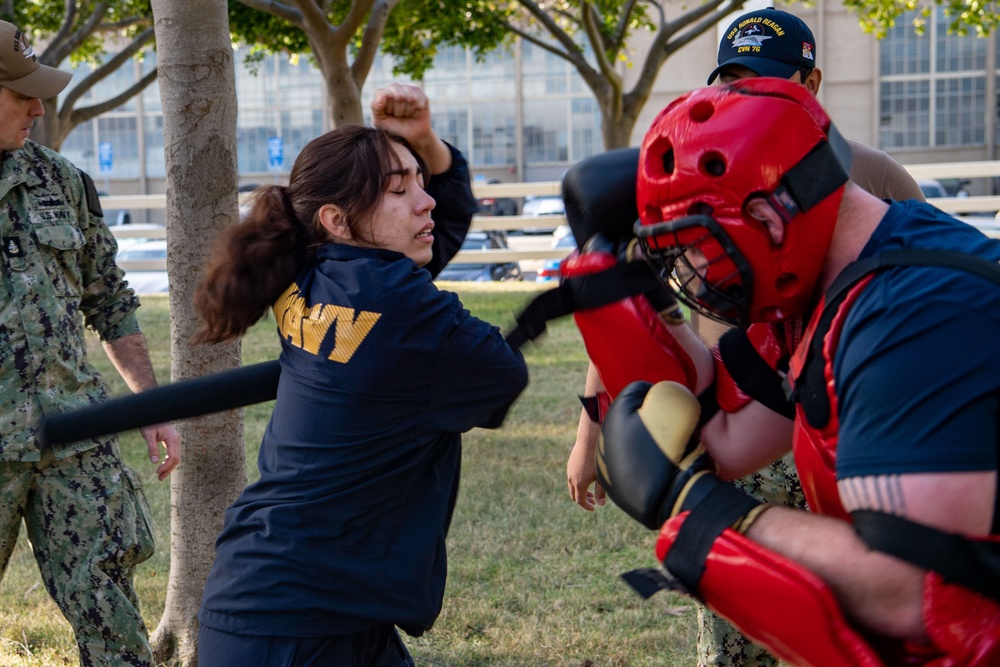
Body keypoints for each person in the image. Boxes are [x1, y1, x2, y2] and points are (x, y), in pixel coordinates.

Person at [596, 77, 1000, 665]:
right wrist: (619, 288)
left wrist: (692, 506)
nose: (693, 273)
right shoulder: (820, 283)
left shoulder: (912, 316)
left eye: (696, 245)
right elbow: (724, 434)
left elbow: (916, 597)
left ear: (766, 217)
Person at [564, 9, 925, 663]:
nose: (745, 97)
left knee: (853, 620)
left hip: (842, 432)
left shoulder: (876, 179)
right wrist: (590, 431)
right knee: (737, 634)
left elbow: (917, 306)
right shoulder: (699, 178)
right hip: (738, 410)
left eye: (766, 81)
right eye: (732, 82)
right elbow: (629, 304)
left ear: (810, 82)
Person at [193, 83, 528, 667]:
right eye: (401, 189)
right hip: (292, 626)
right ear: (337, 221)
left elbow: (423, 246)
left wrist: (421, 141)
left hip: (292, 596)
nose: (426, 201)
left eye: (422, 181)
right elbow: (499, 373)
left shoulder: (311, 267)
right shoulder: (395, 304)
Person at [0, 19, 181, 667]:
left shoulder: (62, 181)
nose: (37, 107)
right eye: (21, 93)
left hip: (73, 436)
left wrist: (148, 404)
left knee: (113, 618)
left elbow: (108, 296)